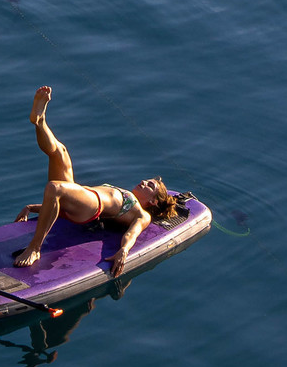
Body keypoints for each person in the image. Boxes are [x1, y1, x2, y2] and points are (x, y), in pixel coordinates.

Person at [12, 86, 190, 276]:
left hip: (90, 208)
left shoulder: (141, 213)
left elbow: (132, 233)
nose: (144, 182)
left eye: (150, 186)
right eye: (146, 180)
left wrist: (124, 251)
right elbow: (60, 207)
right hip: (79, 196)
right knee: (59, 152)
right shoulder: (129, 195)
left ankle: (34, 248)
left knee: (54, 188)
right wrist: (32, 207)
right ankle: (39, 121)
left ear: (153, 201)